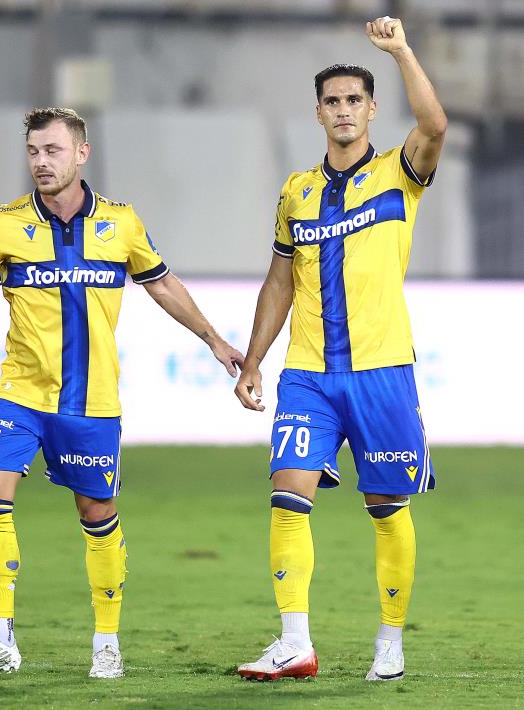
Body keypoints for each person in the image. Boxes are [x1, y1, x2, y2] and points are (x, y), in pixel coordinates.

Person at [0, 107, 244, 679]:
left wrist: (213, 339)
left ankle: (106, 642)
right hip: (21, 394)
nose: (41, 162)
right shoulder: (4, 223)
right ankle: (0, 639)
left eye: (53, 150)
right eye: (33, 151)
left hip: (91, 402)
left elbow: (163, 285)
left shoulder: (121, 223)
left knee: (97, 513)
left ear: (82, 153)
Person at [233, 17, 446, 682]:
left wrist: (401, 50)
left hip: (382, 370)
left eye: (355, 99)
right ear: (319, 112)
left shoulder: (400, 173)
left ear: (373, 109)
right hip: (309, 373)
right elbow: (279, 281)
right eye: (333, 101)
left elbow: (436, 125)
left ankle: (390, 639)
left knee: (386, 507)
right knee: (287, 492)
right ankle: (295, 642)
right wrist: (253, 359)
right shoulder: (296, 192)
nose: (344, 110)